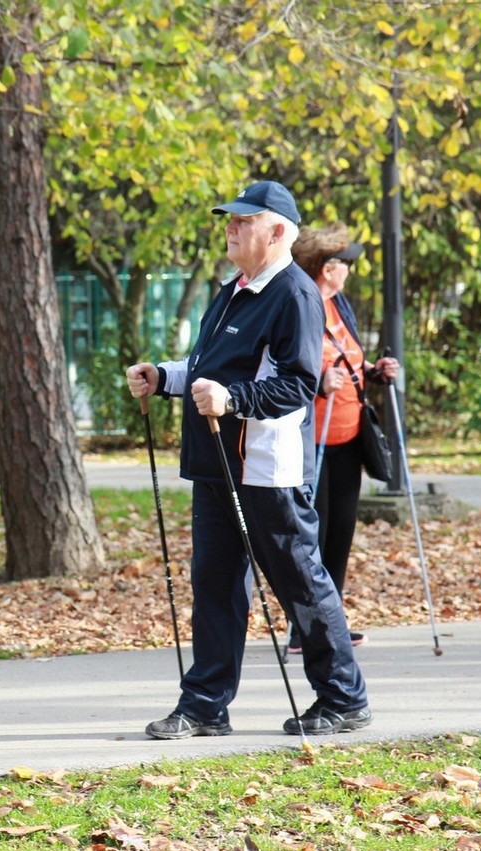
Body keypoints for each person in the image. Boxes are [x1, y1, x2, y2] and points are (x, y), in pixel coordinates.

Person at [126, 180, 371, 738]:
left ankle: (344, 697)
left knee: (300, 582)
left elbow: (297, 385)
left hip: (267, 470)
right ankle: (205, 705)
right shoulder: (233, 289)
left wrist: (232, 399)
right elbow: (208, 366)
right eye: (229, 220)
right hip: (217, 465)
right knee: (214, 584)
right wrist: (163, 377)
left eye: (242, 221)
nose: (230, 229)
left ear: (277, 231)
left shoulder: (294, 295)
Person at [283, 223, 399, 659]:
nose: (350, 270)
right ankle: (302, 626)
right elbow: (286, 367)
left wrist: (374, 371)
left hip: (348, 437)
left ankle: (330, 619)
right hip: (310, 441)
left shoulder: (340, 306)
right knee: (312, 533)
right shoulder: (301, 306)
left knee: (340, 535)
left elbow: (350, 361)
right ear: (328, 268)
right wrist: (317, 383)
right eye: (346, 263)